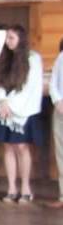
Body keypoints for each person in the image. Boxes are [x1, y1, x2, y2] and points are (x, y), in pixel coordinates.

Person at [0, 24, 43, 204]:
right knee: (8, 147)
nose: (8, 41)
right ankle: (11, 187)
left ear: (21, 39)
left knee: (21, 147)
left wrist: (11, 105)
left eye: (11, 38)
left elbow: (30, 87)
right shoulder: (4, 58)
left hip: (22, 110)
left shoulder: (32, 58)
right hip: (4, 109)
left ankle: (26, 187)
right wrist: (2, 101)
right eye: (7, 38)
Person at [51, 38, 63, 209]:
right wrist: (58, 101)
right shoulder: (61, 58)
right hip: (61, 109)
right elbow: (54, 82)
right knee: (61, 153)